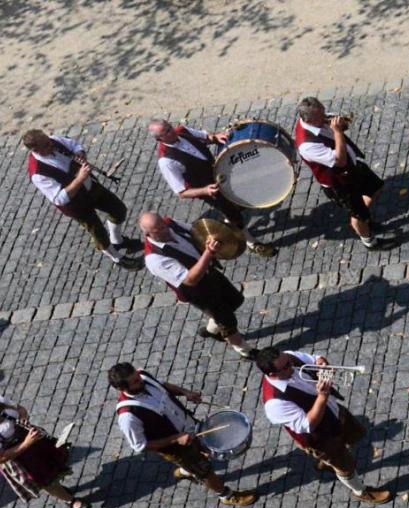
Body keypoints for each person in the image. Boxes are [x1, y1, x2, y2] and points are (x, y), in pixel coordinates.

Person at [107, 362, 256, 506]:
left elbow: (163, 386)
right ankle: (226, 496)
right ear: (122, 388)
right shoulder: (128, 416)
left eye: (137, 377)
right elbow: (141, 445)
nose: (140, 381)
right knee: (205, 471)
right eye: (135, 382)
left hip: (191, 426)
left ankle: (186, 470)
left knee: (204, 452)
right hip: (177, 447)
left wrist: (185, 393)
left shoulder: (143, 377)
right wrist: (176, 439)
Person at [255, 348, 392, 504]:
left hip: (335, 413)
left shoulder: (287, 358)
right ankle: (360, 491)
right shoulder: (274, 404)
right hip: (321, 437)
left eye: (289, 360)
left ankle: (327, 463)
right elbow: (308, 424)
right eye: (286, 367)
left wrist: (323, 365)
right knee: (345, 466)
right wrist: (323, 396)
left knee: (354, 435)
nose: (291, 366)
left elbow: (315, 359)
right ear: (272, 374)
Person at [147, 119, 276, 258]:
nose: (171, 131)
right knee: (233, 213)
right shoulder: (166, 161)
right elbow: (182, 192)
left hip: (221, 172)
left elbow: (206, 136)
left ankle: (227, 221)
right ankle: (251, 242)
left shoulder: (182, 131)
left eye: (169, 127)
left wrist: (215, 137)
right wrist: (206, 191)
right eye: (165, 132)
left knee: (240, 199)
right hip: (209, 189)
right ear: (158, 139)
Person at [140, 212, 258, 358]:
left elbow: (195, 231)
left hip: (209, 272)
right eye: (159, 229)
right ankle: (244, 350)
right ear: (147, 233)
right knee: (227, 319)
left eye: (163, 225)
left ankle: (212, 329)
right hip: (197, 291)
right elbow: (190, 280)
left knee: (235, 300)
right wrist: (209, 253)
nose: (166, 230)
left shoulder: (170, 223)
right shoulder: (154, 258)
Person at [22, 129, 142, 270]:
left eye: (48, 140)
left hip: (91, 187)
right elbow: (59, 199)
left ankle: (117, 241)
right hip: (76, 205)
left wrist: (81, 155)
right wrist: (79, 179)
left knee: (118, 209)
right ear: (36, 150)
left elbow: (75, 146)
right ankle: (117, 258)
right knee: (98, 232)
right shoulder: (38, 172)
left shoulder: (54, 140)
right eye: (46, 145)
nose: (51, 144)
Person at [294, 97, 398, 250]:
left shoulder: (317, 119)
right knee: (360, 216)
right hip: (340, 183)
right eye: (320, 116)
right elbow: (340, 161)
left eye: (323, 112)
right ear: (308, 119)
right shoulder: (307, 145)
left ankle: (361, 219)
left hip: (353, 167)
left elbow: (341, 130)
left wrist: (342, 125)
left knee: (377, 188)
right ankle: (369, 240)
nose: (325, 117)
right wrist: (337, 132)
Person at [0, 396, 89, 508]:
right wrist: (27, 443)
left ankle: (59, 487)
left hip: (33, 439)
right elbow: (2, 457)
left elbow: (21, 409)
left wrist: (23, 418)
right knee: (46, 481)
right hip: (19, 457)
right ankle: (69, 500)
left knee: (54, 462)